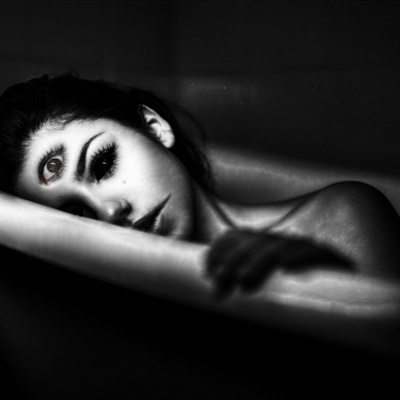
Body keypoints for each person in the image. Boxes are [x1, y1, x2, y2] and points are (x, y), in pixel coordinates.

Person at [0, 71, 400, 310]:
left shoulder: (342, 216)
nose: (108, 211)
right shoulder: (118, 311)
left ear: (154, 127)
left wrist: (319, 288)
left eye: (103, 164)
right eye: (76, 214)